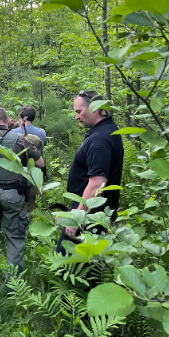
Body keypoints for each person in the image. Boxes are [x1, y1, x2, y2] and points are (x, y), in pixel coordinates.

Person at [56, 90, 124, 254]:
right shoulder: (108, 130)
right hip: (94, 210)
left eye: (79, 111)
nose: (76, 117)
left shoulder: (99, 140)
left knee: (66, 261)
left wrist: (78, 218)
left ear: (95, 108)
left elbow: (96, 184)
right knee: (90, 263)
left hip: (90, 212)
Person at [0, 107, 44, 275]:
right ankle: (14, 284)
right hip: (14, 194)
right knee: (15, 239)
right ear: (7, 120)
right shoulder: (20, 139)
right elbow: (40, 164)